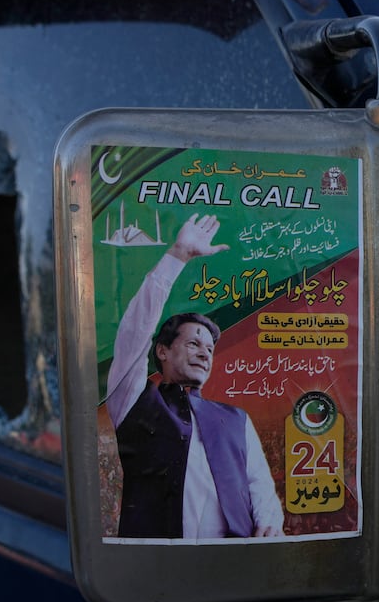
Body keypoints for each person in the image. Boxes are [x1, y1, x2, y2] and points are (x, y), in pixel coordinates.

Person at [106, 213, 285, 539]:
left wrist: (269, 522)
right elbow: (134, 333)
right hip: (156, 569)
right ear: (162, 350)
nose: (205, 352)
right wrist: (177, 257)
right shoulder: (131, 399)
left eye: (209, 348)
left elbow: (258, 484)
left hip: (233, 565)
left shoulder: (237, 420)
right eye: (193, 343)